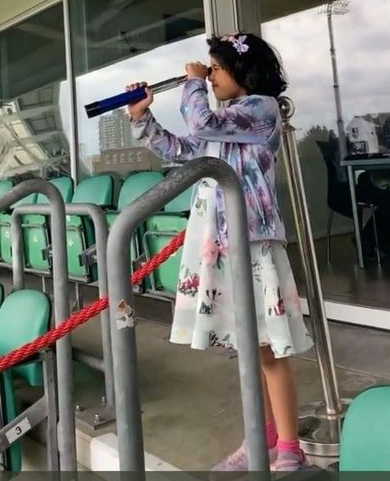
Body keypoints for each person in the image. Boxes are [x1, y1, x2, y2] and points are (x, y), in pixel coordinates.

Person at [126, 32, 313, 472]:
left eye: (216, 68)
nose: (208, 76)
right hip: (218, 243)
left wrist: (190, 82)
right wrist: (142, 117)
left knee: (270, 347)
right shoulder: (226, 119)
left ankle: (289, 448)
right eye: (206, 69)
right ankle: (259, 435)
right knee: (246, 346)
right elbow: (181, 149)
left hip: (253, 241)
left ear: (242, 71)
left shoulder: (260, 110)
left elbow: (201, 125)